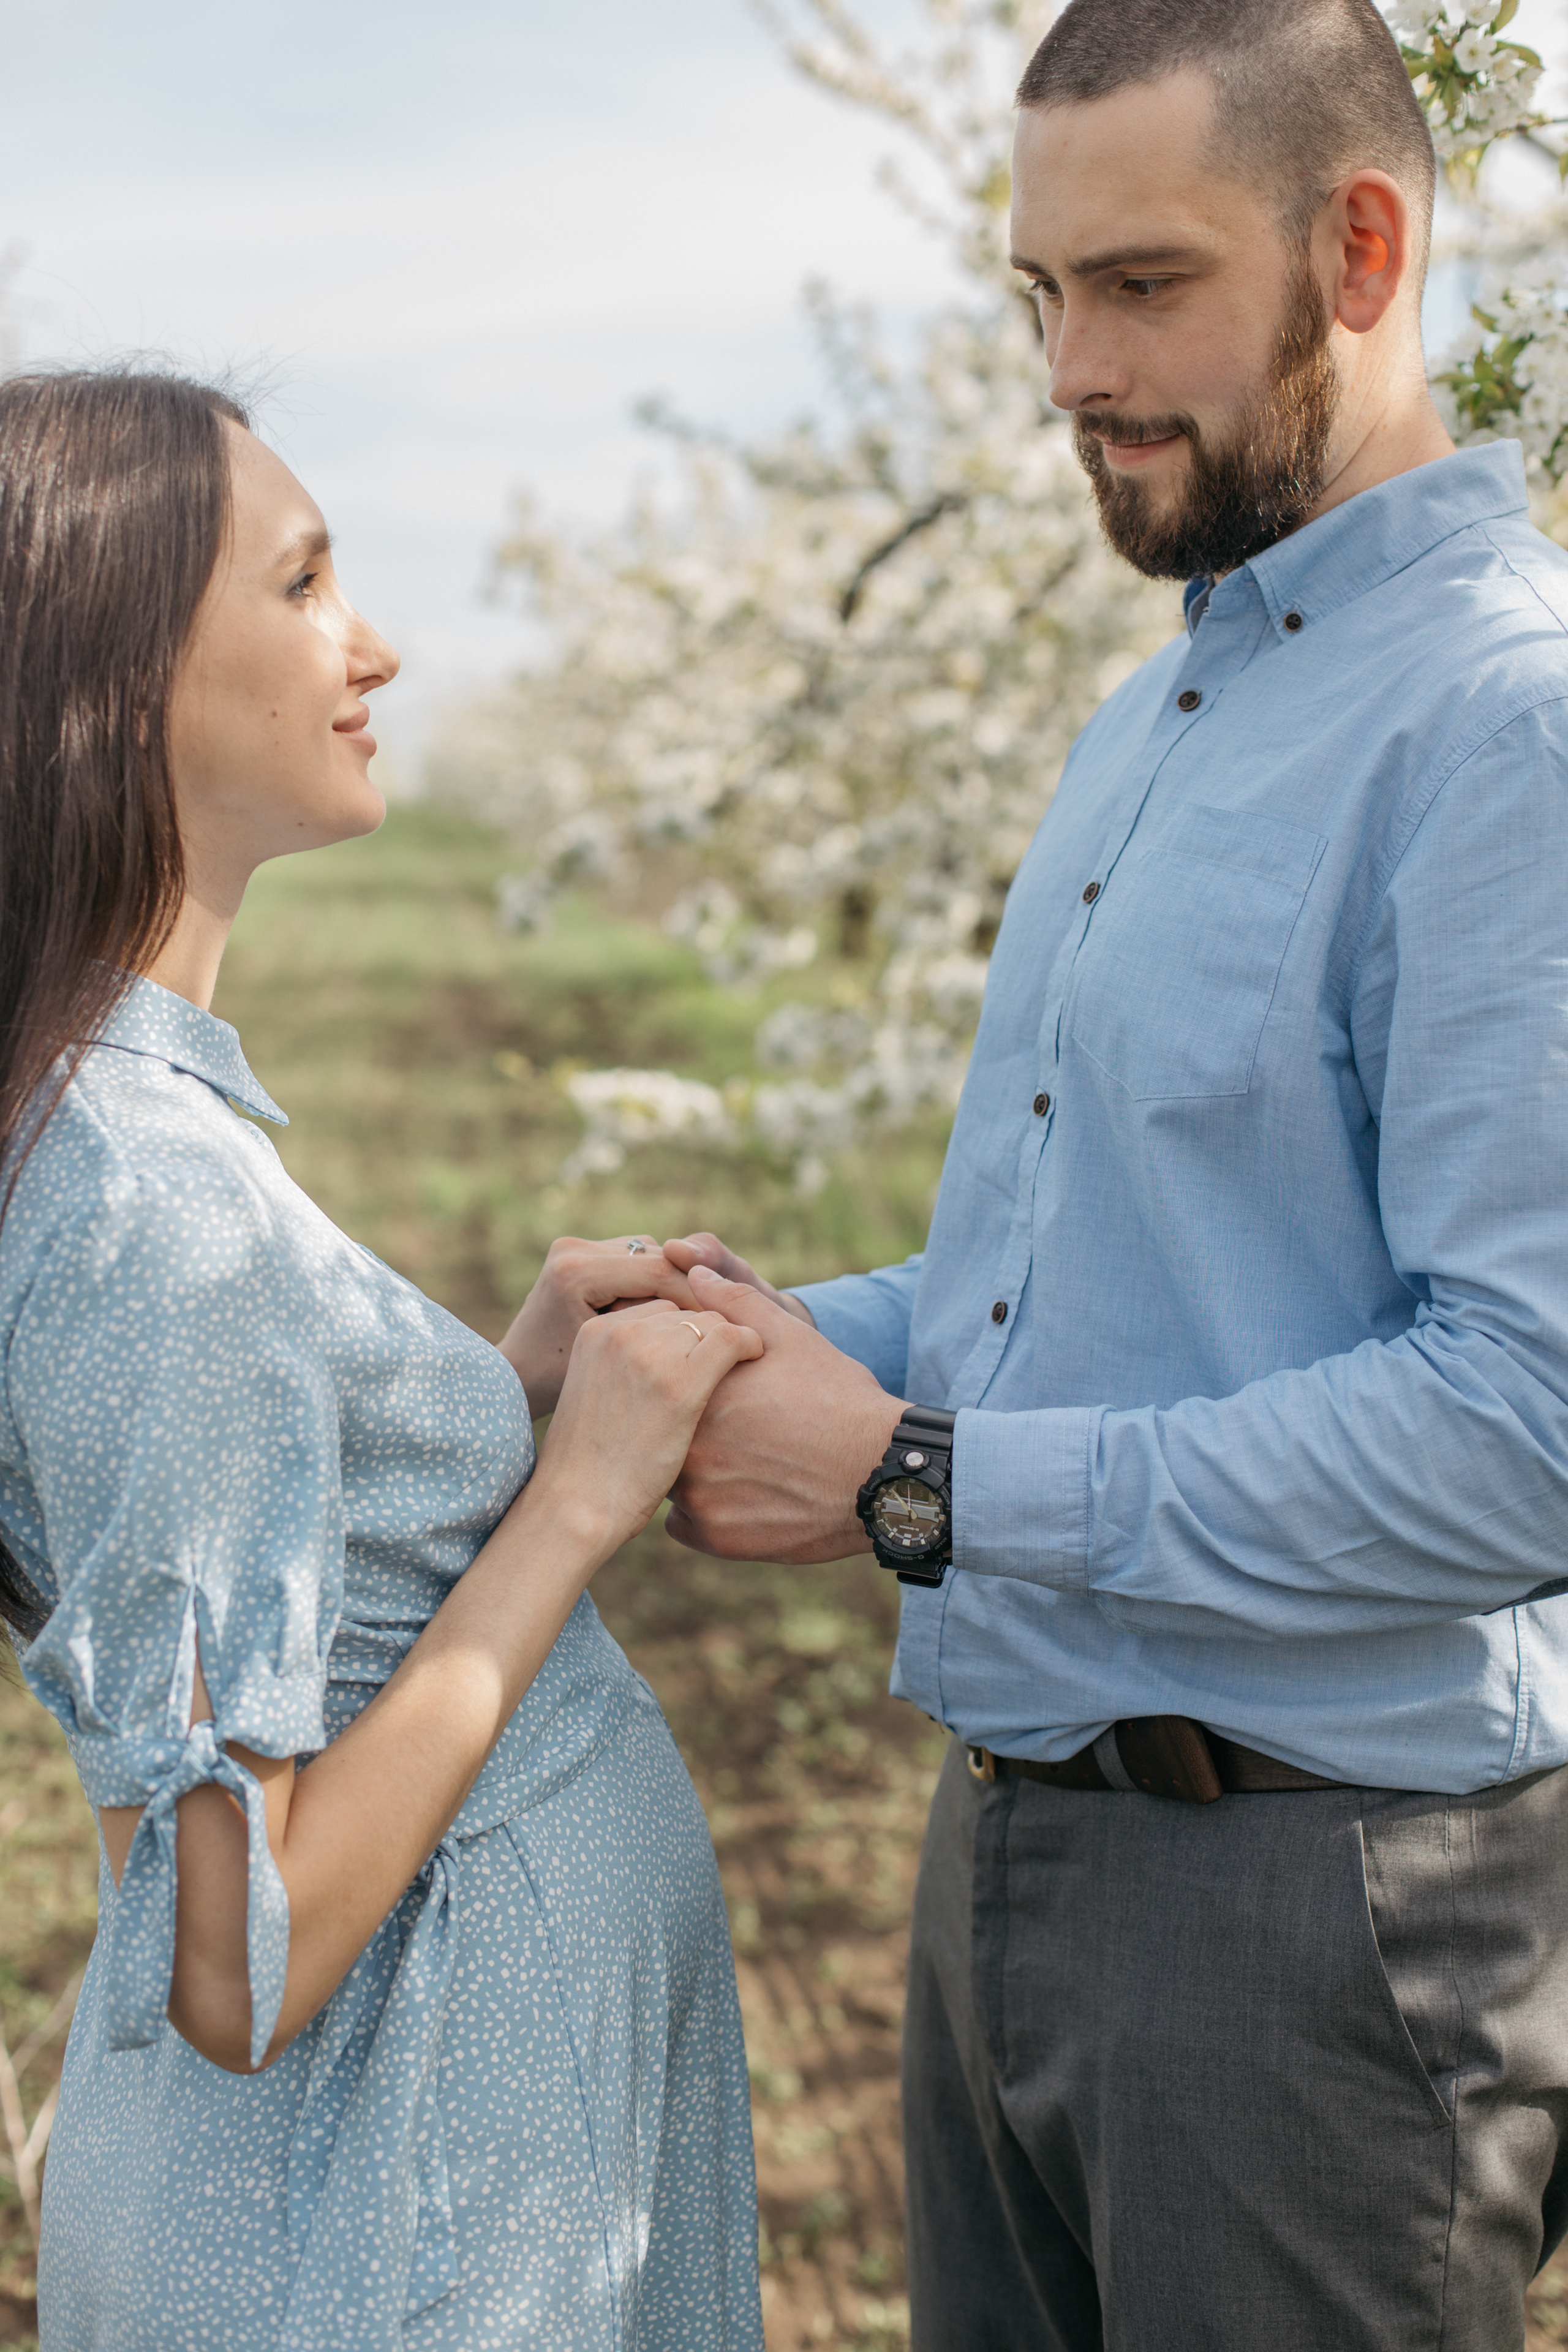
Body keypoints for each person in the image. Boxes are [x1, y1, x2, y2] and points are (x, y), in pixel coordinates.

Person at [659, 1, 1568, 2344]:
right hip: (1015, 1842)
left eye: (1143, 284)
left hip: (1318, 1916)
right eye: (1038, 295)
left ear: (1361, 247)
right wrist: (748, 1337)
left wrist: (925, 1486)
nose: (1070, 367)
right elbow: (1087, 1265)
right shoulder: (1165, 704)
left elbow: (1528, 1426)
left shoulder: (1507, 732)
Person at [0, 369, 765, 2352]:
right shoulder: (154, 1211)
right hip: (380, 2223)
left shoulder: (121, 1136)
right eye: (306, 582)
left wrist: (484, 1403)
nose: (380, 645)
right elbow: (235, 1960)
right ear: (113, 684)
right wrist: (578, 1503)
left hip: (395, 2191)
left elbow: (238, 1545)